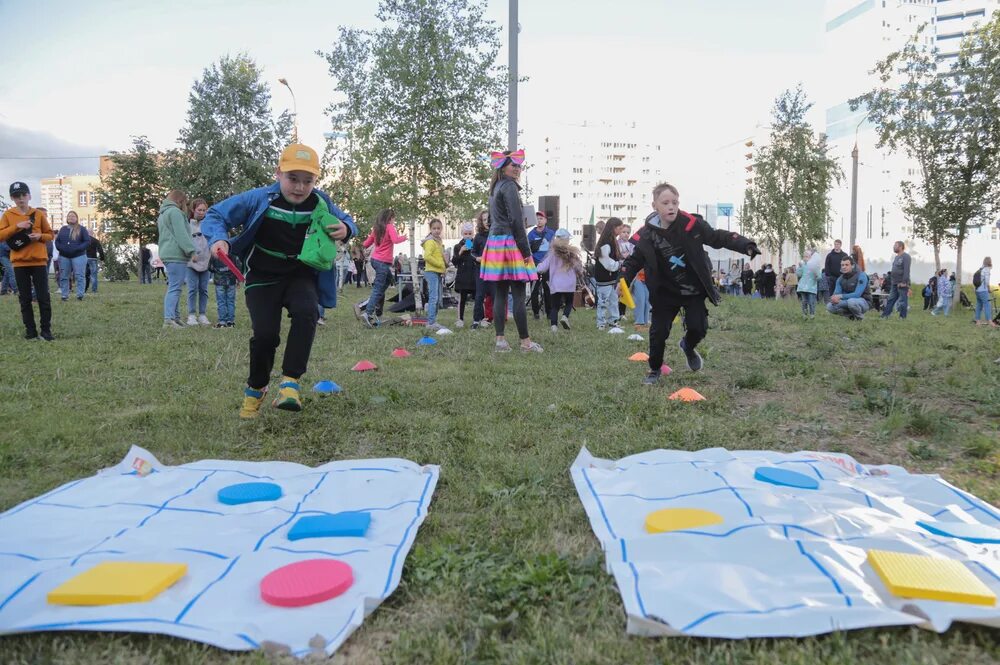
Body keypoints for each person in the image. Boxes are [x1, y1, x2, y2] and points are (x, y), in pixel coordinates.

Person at [202, 142, 357, 418]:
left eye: (307, 181)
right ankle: (256, 389)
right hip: (262, 275)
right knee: (265, 335)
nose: (299, 187)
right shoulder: (259, 198)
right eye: (292, 179)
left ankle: (290, 384)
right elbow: (216, 214)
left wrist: (346, 228)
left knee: (307, 312)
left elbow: (348, 222)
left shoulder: (321, 201)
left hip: (300, 273)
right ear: (278, 173)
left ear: (315, 180)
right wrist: (219, 239)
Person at [622, 182, 759, 385]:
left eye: (675, 202)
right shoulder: (646, 235)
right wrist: (622, 280)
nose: (671, 207)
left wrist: (745, 245)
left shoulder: (691, 224)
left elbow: (717, 237)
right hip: (664, 292)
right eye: (665, 202)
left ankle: (687, 345)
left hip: (693, 289)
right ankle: (654, 369)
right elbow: (634, 261)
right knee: (658, 332)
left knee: (698, 328)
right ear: (655, 206)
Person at [481, 149, 542, 352]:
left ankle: (500, 341)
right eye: (513, 165)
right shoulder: (509, 187)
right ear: (503, 166)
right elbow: (516, 221)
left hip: (495, 242)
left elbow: (491, 220)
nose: (517, 169)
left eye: (519, 165)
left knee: (499, 294)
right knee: (517, 294)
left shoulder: (496, 187)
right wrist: (526, 251)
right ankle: (525, 343)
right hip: (510, 242)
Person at [0, 181, 54, 340]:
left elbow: (50, 234)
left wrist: (40, 237)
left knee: (43, 297)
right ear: (12, 198)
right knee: (25, 299)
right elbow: (1, 235)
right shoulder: (8, 215)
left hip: (38, 261)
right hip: (19, 262)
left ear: (29, 196)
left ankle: (46, 331)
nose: (21, 198)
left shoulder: (38, 214)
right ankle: (30, 332)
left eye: (24, 194)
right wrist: (18, 226)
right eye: (17, 196)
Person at [360, 208, 407, 328]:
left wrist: (362, 246)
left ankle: (375, 299)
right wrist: (405, 237)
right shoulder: (389, 227)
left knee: (389, 281)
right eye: (393, 218)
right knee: (378, 288)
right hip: (382, 262)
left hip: (375, 260)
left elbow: (366, 243)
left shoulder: (377, 228)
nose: (394, 220)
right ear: (390, 218)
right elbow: (395, 240)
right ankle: (368, 313)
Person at [157, 190, 196, 328]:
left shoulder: (163, 214)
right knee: (175, 287)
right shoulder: (175, 213)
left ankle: (175, 317)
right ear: (180, 201)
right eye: (184, 203)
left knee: (175, 286)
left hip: (167, 253)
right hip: (176, 254)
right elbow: (182, 234)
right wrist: (191, 251)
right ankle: (168, 320)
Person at [536, 227, 584, 332]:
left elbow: (542, 268)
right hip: (569, 285)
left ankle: (554, 326)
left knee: (555, 307)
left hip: (556, 285)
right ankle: (565, 317)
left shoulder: (552, 254)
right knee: (569, 303)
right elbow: (578, 268)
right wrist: (580, 272)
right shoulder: (572, 255)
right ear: (567, 240)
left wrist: (536, 267)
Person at [594, 217, 624, 330]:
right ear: (613, 228)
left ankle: (613, 321)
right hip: (604, 278)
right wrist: (619, 264)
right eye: (620, 228)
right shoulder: (606, 242)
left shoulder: (612, 241)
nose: (621, 231)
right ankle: (601, 323)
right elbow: (607, 262)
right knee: (603, 301)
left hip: (612, 278)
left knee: (613, 301)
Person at [186, 198, 212, 326]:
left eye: (204, 210)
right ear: (193, 210)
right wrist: (191, 254)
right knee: (192, 289)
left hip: (206, 262)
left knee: (204, 289)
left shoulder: (208, 224)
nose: (202, 212)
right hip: (191, 263)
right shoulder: (187, 225)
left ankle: (202, 314)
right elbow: (184, 242)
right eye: (199, 210)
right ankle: (191, 315)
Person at [54, 210, 91, 301]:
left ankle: (80, 295)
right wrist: (60, 248)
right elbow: (57, 241)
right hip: (64, 256)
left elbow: (87, 241)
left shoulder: (82, 229)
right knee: (64, 276)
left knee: (79, 276)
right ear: (67, 218)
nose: (71, 217)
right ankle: (64, 295)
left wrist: (78, 248)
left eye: (73, 216)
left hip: (79, 256)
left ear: (76, 218)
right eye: (69, 216)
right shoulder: (63, 229)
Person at [527, 211, 554, 320]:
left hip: (547, 265)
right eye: (537, 218)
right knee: (534, 289)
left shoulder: (551, 233)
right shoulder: (531, 234)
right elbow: (527, 250)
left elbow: (554, 248)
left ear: (545, 220)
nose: (539, 221)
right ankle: (536, 312)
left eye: (541, 218)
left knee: (548, 288)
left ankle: (549, 312)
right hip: (534, 265)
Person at [421, 218, 447, 332]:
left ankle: (433, 320)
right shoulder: (430, 241)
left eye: (438, 228)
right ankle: (431, 322)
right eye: (434, 228)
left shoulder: (438, 241)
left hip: (437, 272)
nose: (436, 230)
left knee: (437, 298)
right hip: (431, 271)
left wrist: (444, 266)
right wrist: (440, 266)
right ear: (430, 229)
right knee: (434, 297)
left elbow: (440, 257)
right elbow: (427, 257)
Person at [827, 255, 871, 320]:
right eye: (842, 265)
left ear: (852, 266)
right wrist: (834, 298)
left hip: (864, 302)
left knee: (851, 302)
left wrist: (840, 296)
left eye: (847, 265)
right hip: (847, 301)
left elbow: (857, 294)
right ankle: (851, 316)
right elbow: (836, 294)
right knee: (830, 306)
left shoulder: (862, 275)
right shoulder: (840, 279)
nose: (844, 267)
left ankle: (860, 317)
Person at [452, 222, 478, 328]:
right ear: (462, 234)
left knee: (477, 299)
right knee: (462, 299)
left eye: (470, 233)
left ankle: (477, 319)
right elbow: (454, 262)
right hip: (462, 277)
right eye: (466, 233)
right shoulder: (457, 246)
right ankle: (460, 319)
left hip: (474, 276)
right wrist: (461, 251)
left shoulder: (476, 245)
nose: (468, 235)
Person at [470, 209, 493, 329]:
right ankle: (476, 320)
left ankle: (491, 318)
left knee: (494, 295)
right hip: (480, 269)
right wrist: (477, 258)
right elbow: (472, 253)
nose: (487, 222)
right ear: (481, 222)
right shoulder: (478, 237)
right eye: (484, 219)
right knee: (479, 295)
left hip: (494, 269)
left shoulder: (496, 235)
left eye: (488, 219)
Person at [881, 240, 911, 320]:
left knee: (902, 301)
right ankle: (885, 315)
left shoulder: (906, 256)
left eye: (895, 245)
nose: (894, 247)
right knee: (891, 299)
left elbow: (906, 270)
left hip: (902, 283)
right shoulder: (896, 257)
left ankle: (902, 317)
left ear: (901, 247)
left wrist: (904, 282)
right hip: (894, 283)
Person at [210, 250, 240, 328]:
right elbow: (238, 266)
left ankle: (222, 322)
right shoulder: (233, 252)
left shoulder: (215, 253)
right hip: (231, 280)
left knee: (221, 302)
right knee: (231, 301)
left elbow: (210, 267)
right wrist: (237, 279)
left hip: (219, 281)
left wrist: (217, 271)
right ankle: (231, 322)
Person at [796, 248, 822, 318]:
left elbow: (819, 277)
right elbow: (798, 274)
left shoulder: (814, 266)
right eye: (804, 256)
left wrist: (817, 276)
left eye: (807, 257)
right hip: (803, 287)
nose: (805, 258)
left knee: (811, 301)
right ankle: (804, 314)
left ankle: (812, 314)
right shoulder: (803, 265)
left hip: (811, 287)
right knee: (804, 301)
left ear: (811, 258)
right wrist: (799, 267)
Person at [973, 256, 994, 326]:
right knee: (987, 305)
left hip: (977, 290)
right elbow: (987, 281)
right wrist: (989, 289)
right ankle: (989, 321)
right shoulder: (987, 270)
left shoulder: (981, 269)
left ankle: (977, 321)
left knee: (979, 305)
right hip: (983, 291)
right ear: (989, 262)